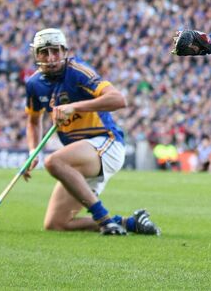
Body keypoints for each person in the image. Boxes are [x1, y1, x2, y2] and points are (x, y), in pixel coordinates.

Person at [24, 28, 160, 236]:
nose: (51, 58)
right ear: (36, 54)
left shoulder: (78, 71)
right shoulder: (34, 84)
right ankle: (130, 223)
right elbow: (33, 121)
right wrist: (33, 150)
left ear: (64, 51)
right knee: (56, 223)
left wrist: (74, 107)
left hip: (106, 144)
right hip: (79, 158)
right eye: (44, 52)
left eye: (56, 51)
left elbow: (118, 99)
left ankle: (104, 220)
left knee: (53, 161)